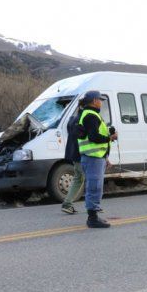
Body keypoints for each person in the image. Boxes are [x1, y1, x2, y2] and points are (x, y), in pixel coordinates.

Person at [78, 90, 117, 228]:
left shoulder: (89, 114)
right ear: (94, 101)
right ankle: (92, 219)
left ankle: (94, 216)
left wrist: (105, 157)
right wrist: (110, 138)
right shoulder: (91, 116)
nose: (101, 102)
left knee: (95, 186)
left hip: (95, 157)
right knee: (94, 187)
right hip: (93, 158)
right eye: (100, 100)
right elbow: (94, 137)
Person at [60, 99, 86, 214]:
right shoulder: (83, 120)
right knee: (89, 179)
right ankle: (93, 207)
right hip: (81, 154)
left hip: (73, 153)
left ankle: (67, 203)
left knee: (78, 179)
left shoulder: (72, 120)